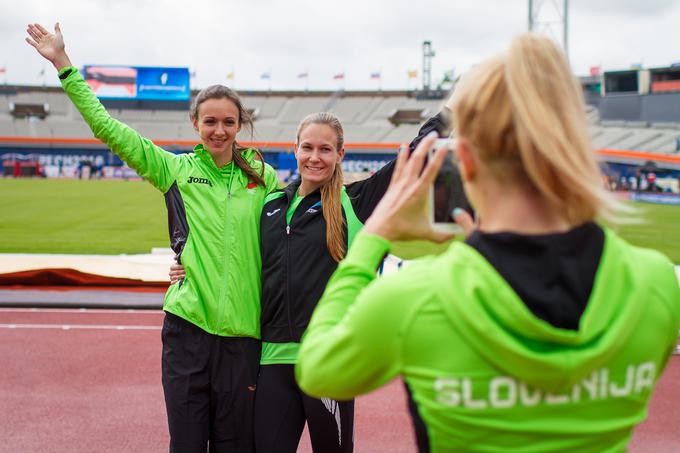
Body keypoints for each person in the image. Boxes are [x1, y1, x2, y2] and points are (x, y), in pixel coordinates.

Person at [295, 34, 680, 452]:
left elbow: (319, 370)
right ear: (573, 149)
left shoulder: (418, 296)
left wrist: (371, 239)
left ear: (466, 161)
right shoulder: (655, 284)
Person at [26, 22, 279, 452]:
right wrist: (63, 63)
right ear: (195, 123)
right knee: (185, 445)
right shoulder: (175, 170)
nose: (219, 130)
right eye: (210, 121)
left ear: (241, 125)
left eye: (229, 122)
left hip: (243, 339)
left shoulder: (264, 178)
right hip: (187, 332)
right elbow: (107, 128)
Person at [171, 111, 450, 452]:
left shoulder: (356, 203)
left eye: (326, 149)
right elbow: (231, 251)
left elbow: (413, 155)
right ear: (295, 150)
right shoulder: (270, 204)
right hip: (271, 362)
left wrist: (451, 111)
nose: (315, 157)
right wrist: (185, 266)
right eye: (307, 148)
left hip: (328, 360)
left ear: (340, 155)